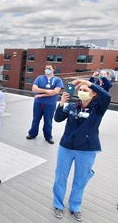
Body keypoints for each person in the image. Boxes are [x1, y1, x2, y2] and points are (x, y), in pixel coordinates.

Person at [51, 79, 111, 222]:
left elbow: (107, 97)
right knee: (60, 177)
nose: (82, 92)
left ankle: (75, 207)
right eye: (81, 90)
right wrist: (61, 103)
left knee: (80, 180)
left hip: (87, 149)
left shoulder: (98, 108)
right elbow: (58, 118)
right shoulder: (72, 106)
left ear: (93, 94)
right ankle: (58, 205)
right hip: (66, 147)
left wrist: (87, 82)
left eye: (86, 90)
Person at [26, 64, 64, 144]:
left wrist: (40, 94)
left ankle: (48, 136)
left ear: (53, 70)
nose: (47, 69)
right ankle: (32, 134)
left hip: (50, 104)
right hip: (38, 103)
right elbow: (34, 89)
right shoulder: (39, 78)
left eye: (49, 68)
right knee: (35, 119)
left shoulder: (57, 80)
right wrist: (47, 91)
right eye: (46, 68)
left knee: (48, 120)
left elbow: (55, 92)